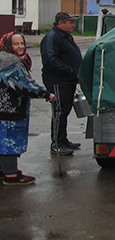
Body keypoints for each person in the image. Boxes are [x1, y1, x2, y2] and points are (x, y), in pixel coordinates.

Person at [1, 32, 56, 185]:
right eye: (16, 44)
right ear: (8, 46)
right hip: (8, 110)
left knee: (3, 141)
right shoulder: (9, 62)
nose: (20, 47)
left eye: (22, 43)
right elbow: (23, 85)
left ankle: (5, 170)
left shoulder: (8, 58)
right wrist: (45, 94)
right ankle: (11, 176)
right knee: (9, 142)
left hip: (6, 109)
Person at [41, 12, 83, 156]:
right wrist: (69, 70)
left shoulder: (65, 36)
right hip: (57, 81)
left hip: (68, 80)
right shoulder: (52, 38)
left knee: (64, 110)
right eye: (70, 22)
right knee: (59, 111)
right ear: (61, 23)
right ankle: (57, 144)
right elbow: (50, 60)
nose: (73, 25)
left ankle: (63, 140)